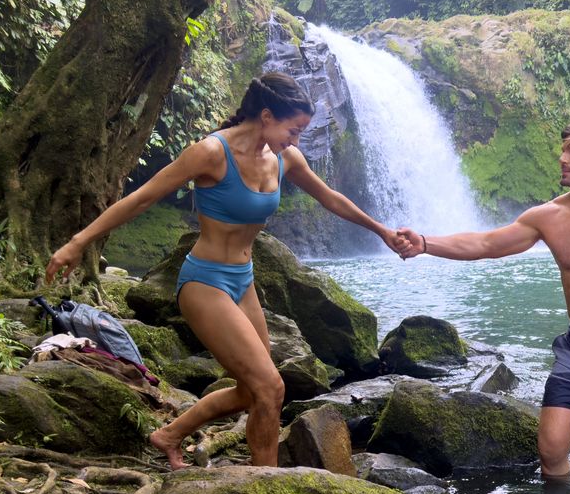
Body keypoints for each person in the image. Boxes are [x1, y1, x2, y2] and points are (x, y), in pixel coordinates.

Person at [46, 72, 403, 470]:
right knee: (271, 387)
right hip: (205, 282)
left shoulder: (286, 159)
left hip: (243, 281)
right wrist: (79, 242)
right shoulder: (211, 153)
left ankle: (168, 435)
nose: (296, 140)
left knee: (253, 391)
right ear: (266, 116)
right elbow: (143, 198)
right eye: (294, 129)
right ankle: (265, 485)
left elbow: (332, 199)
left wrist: (382, 230)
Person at [395, 120, 570, 476]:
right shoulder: (548, 217)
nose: (562, 158)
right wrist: (424, 243)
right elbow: (486, 245)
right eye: (563, 150)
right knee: (551, 452)